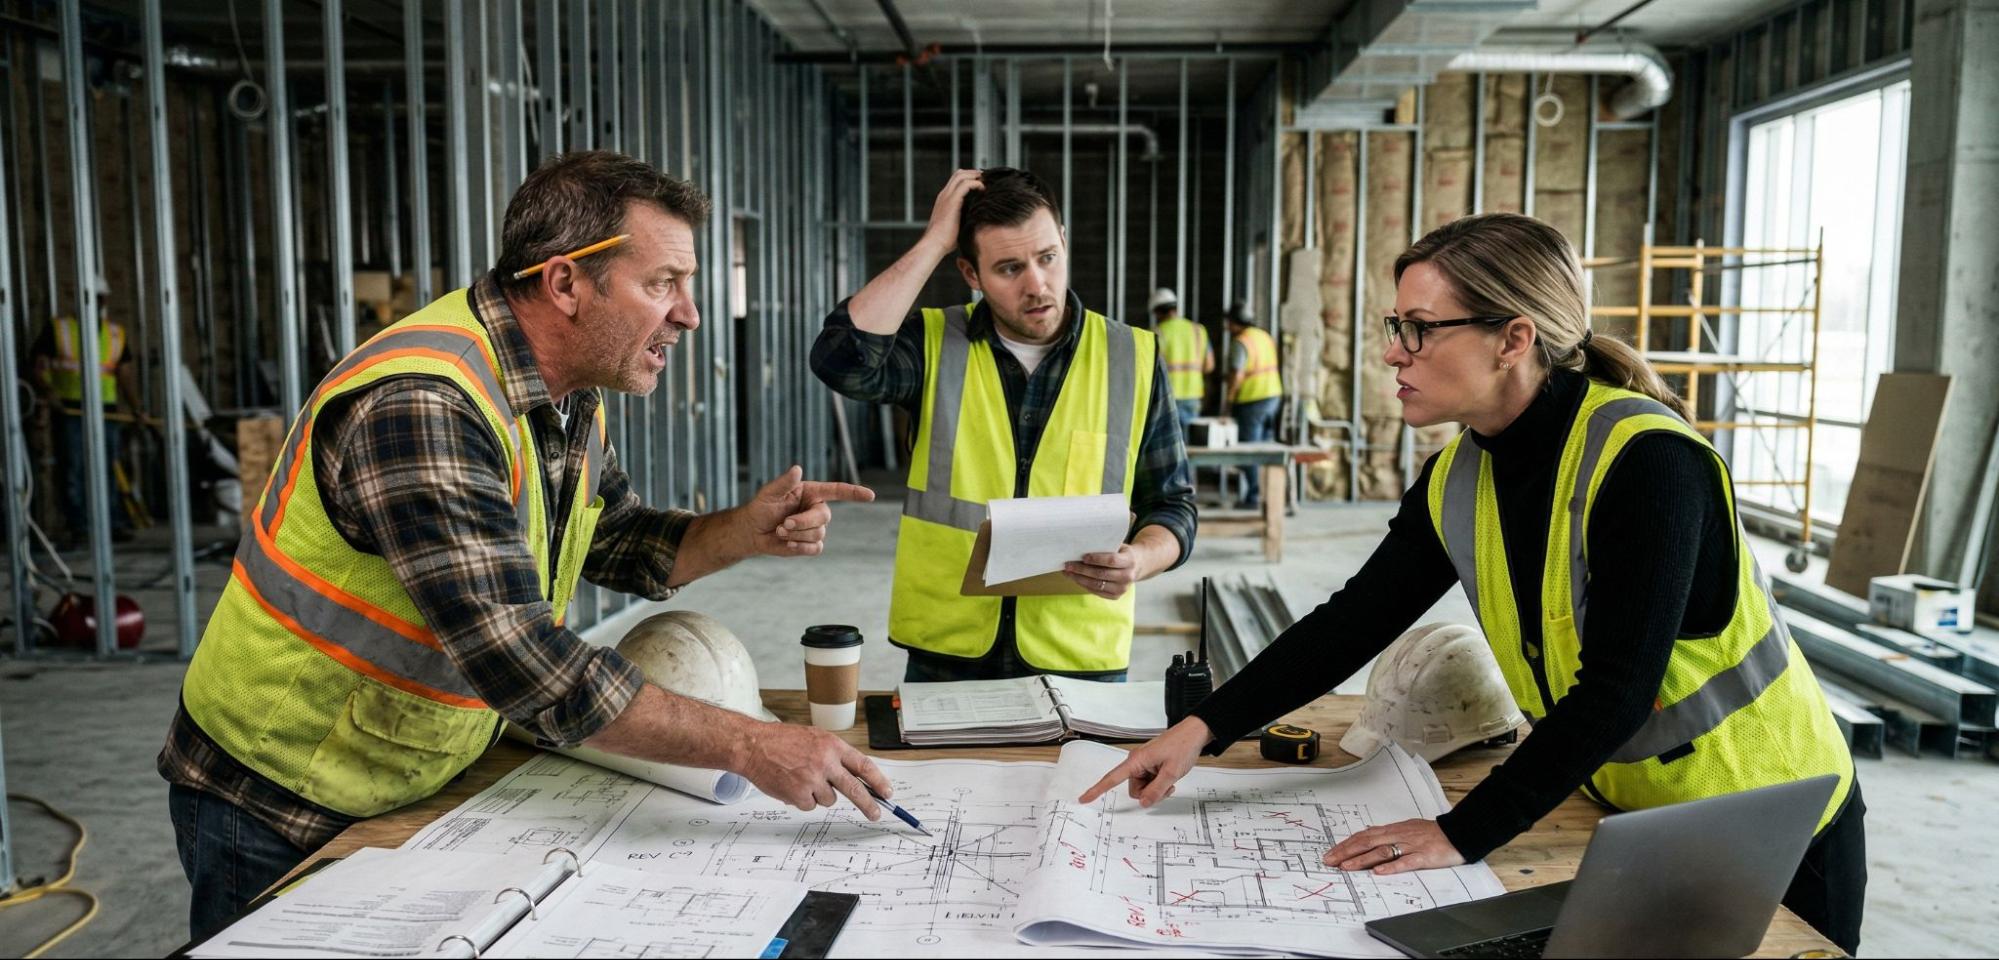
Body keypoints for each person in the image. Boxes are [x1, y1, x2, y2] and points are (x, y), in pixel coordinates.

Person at [1080, 213, 1865, 954]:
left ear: (1512, 339)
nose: (1393, 353)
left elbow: (1618, 689)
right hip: (1629, 813)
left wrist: (1461, 832)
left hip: (1775, 820)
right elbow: (1353, 620)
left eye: (1418, 330)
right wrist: (1202, 729)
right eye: (1396, 327)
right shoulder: (1457, 475)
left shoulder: (1649, 463)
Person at [160, 151, 893, 941]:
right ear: (565, 284)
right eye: (662, 283)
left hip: (409, 770)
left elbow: (611, 540)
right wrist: (752, 745)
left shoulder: (565, 393)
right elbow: (527, 667)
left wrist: (738, 532)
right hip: (279, 798)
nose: (689, 315)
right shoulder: (425, 404)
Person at [812, 168, 1196, 683]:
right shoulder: (932, 346)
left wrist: (1141, 560)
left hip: (1079, 657)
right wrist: (933, 243)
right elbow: (842, 359)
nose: (1037, 285)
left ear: (1063, 240)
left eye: (1047, 258)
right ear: (971, 274)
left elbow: (1173, 506)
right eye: (1009, 268)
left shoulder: (1133, 357)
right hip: (947, 650)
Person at [32, 275, 143, 545]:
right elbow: (38, 367)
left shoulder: (115, 334)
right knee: (74, 468)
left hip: (106, 411)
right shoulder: (59, 329)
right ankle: (79, 526)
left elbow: (124, 374)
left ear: (104, 300)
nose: (95, 302)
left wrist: (137, 409)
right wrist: (49, 395)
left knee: (107, 467)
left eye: (98, 298)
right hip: (70, 410)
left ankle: (111, 523)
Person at [1223, 300, 1282, 507]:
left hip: (1252, 400)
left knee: (1248, 449)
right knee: (1265, 448)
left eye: (1228, 322)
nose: (1226, 327)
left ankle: (1254, 496)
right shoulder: (1264, 336)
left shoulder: (1241, 342)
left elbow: (1237, 375)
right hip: (1273, 396)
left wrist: (1228, 402)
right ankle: (1271, 497)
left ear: (1233, 322)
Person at [1149, 287, 1212, 434]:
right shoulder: (1198, 330)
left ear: (1157, 312)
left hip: (1166, 396)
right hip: (1193, 396)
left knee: (1170, 447)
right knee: (1191, 447)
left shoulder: (1156, 332)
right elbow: (1209, 366)